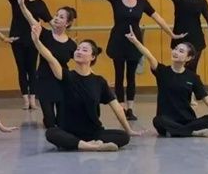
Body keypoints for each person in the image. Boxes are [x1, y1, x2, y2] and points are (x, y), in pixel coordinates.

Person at [80, 0, 184, 121]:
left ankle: (130, 108)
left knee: (131, 76)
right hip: (118, 41)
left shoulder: (142, 2)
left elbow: (158, 18)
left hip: (134, 42)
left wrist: (171, 34)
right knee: (119, 75)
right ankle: (121, 107)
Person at [31, 23, 143, 152]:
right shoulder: (66, 76)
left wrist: (128, 129)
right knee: (51, 133)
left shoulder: (99, 82)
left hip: (93, 132)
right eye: (78, 49)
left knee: (123, 136)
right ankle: (92, 146)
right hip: (69, 132)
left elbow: (116, 107)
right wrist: (36, 41)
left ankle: (84, 144)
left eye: (84, 50)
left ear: (92, 57)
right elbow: (50, 58)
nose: (79, 51)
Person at [123, 26, 208, 137]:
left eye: (181, 51)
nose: (175, 52)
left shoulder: (193, 77)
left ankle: (178, 131)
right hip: (167, 120)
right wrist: (135, 41)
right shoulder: (162, 71)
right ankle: (191, 132)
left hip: (188, 120)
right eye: (175, 49)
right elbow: (149, 55)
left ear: (188, 58)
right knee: (158, 120)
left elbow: (207, 99)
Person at [17, 0, 77, 128]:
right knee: (50, 121)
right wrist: (22, 5)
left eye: (61, 17)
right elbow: (30, 18)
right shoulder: (45, 34)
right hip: (44, 80)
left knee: (62, 122)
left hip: (62, 82)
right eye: (56, 15)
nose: (56, 18)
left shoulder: (71, 44)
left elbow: (82, 63)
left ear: (67, 23)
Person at [0, 0, 52, 109]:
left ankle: (33, 99)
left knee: (32, 69)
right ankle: (25, 100)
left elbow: (50, 21)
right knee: (21, 69)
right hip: (17, 38)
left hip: (33, 39)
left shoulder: (40, 4)